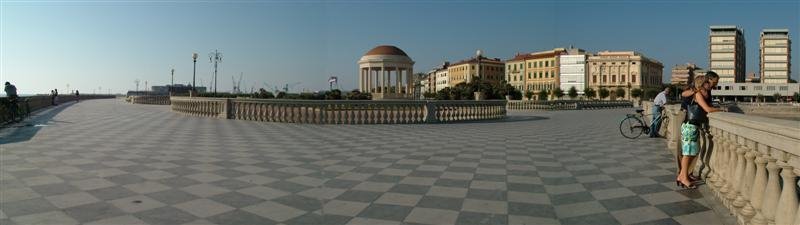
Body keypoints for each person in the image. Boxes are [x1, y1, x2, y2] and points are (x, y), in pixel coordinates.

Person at [677, 75, 720, 189]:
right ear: (702, 84)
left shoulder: (701, 93)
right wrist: (721, 109)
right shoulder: (697, 94)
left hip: (692, 126)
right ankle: (684, 177)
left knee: (692, 152)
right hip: (690, 126)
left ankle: (682, 176)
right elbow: (708, 109)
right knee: (688, 153)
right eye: (707, 82)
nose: (709, 84)